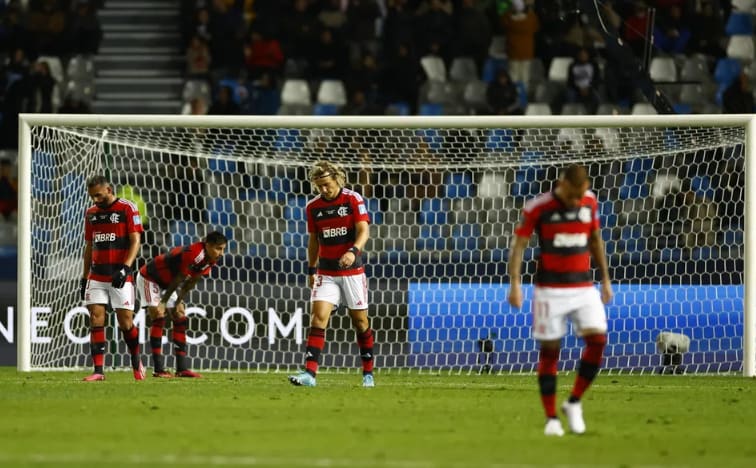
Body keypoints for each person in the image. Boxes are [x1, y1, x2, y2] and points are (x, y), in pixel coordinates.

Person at [507, 164, 613, 436]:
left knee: (598, 340)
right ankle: (551, 418)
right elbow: (519, 245)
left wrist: (605, 279)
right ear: (561, 185)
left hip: (583, 287)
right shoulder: (537, 208)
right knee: (551, 352)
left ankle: (574, 401)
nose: (577, 201)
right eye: (572, 196)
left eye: (581, 195)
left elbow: (595, 239)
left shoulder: (590, 202)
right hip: (549, 291)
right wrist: (515, 284)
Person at [288, 161, 375, 388]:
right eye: (319, 186)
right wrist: (311, 268)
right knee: (318, 318)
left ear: (336, 179)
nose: (323, 190)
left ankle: (368, 373)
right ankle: (310, 374)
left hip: (352, 271)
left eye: (326, 184)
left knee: (360, 321)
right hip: (326, 272)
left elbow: (364, 230)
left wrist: (354, 251)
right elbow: (314, 240)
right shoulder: (313, 207)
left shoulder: (352, 199)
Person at [136, 231, 228, 378]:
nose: (221, 253)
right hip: (150, 277)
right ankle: (158, 369)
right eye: (218, 248)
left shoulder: (211, 259)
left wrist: (179, 301)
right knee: (158, 316)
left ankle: (182, 368)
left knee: (180, 315)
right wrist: (164, 302)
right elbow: (180, 277)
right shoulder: (195, 253)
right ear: (208, 245)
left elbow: (191, 282)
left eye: (223, 249)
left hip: (168, 283)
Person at [80, 175, 144, 381]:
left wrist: (126, 268)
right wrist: (83, 277)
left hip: (120, 275)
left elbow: (136, 240)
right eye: (92, 196)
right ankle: (98, 371)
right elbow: (90, 245)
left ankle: (136, 363)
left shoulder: (127, 208)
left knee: (126, 323)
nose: (95, 200)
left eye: (98, 195)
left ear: (109, 189)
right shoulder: (91, 213)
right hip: (97, 275)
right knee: (95, 318)